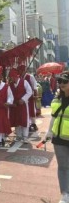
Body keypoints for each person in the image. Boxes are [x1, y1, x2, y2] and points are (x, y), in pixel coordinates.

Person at [44, 72, 69, 203]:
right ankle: (65, 194)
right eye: (60, 82)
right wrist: (48, 132)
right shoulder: (57, 97)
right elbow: (54, 116)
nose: (61, 84)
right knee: (63, 167)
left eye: (65, 81)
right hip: (59, 139)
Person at [8, 68, 33, 144]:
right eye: (11, 77)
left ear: (16, 76)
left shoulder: (24, 82)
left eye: (12, 77)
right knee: (16, 120)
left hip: (23, 105)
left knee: (24, 120)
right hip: (15, 105)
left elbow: (30, 92)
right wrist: (11, 102)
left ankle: (25, 137)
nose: (12, 79)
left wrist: (23, 99)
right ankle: (18, 136)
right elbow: (9, 95)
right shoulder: (10, 85)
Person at [18, 65, 39, 131]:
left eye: (22, 71)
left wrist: (36, 95)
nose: (21, 72)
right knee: (24, 112)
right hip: (22, 97)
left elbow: (35, 87)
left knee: (31, 110)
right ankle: (27, 124)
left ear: (25, 71)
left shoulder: (30, 77)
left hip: (30, 97)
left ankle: (33, 124)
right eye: (20, 71)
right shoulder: (19, 78)